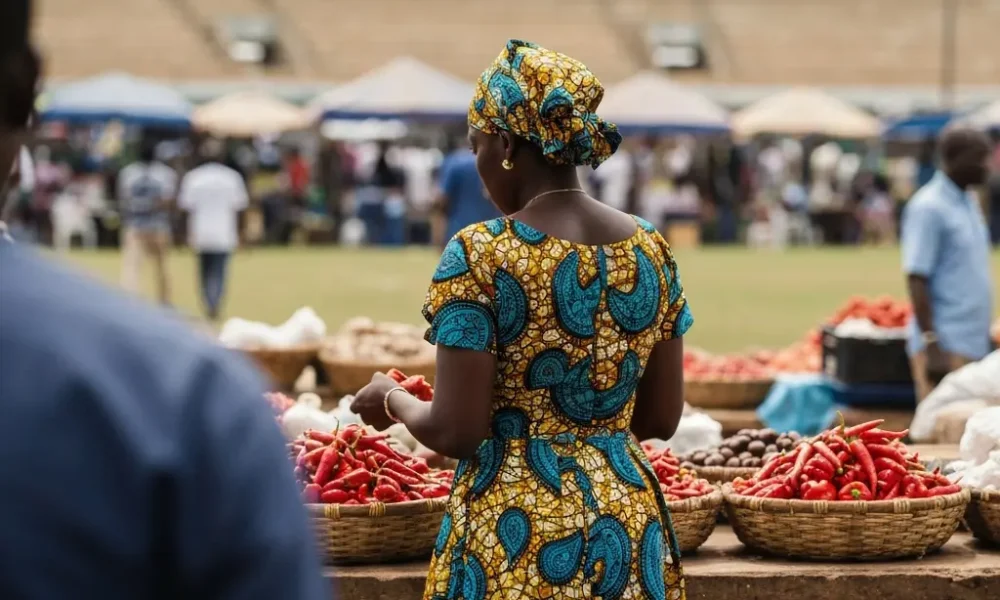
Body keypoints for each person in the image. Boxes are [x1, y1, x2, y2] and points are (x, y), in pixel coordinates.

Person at [0, 2, 330, 598]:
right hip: (205, 243)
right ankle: (195, 301)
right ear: (25, 95)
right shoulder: (185, 397)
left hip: (161, 233)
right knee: (207, 279)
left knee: (176, 275)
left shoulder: (184, 394)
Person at [350, 40, 692, 600]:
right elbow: (658, 419)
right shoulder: (650, 248)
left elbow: (457, 431)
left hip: (514, 532)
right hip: (629, 527)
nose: (480, 163)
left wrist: (392, 399)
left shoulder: (482, 253)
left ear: (505, 143)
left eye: (477, 146)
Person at [901, 128, 994, 401]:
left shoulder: (969, 201)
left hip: (974, 344)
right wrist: (931, 343)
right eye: (980, 158)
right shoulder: (929, 207)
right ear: (955, 159)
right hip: (945, 345)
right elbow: (917, 276)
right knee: (939, 434)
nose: (986, 167)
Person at [178, 142, 250, 321]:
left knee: (204, 272)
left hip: (200, 232)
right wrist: (243, 232)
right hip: (224, 232)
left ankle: (208, 302)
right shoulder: (232, 177)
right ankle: (214, 302)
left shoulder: (193, 177)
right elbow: (240, 209)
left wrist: (181, 234)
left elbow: (185, 210)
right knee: (219, 272)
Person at [117, 137, 177, 305]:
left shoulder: (128, 173)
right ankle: (165, 302)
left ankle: (129, 300)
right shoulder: (165, 174)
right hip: (158, 225)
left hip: (135, 224)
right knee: (162, 267)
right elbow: (167, 200)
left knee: (132, 266)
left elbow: (124, 198)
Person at [434, 136, 500, 248]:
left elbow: (442, 198)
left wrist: (438, 232)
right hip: (488, 229)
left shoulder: (453, 161)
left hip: (458, 228)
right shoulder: (493, 160)